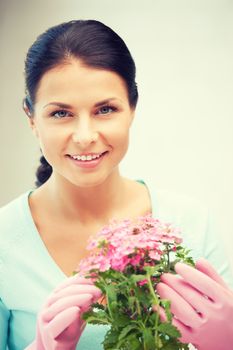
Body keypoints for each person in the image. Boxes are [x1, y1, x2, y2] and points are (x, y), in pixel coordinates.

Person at [0, 19, 232, 350]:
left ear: (132, 110)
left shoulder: (192, 223)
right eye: (60, 114)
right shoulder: (3, 241)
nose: (85, 137)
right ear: (31, 118)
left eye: (105, 109)